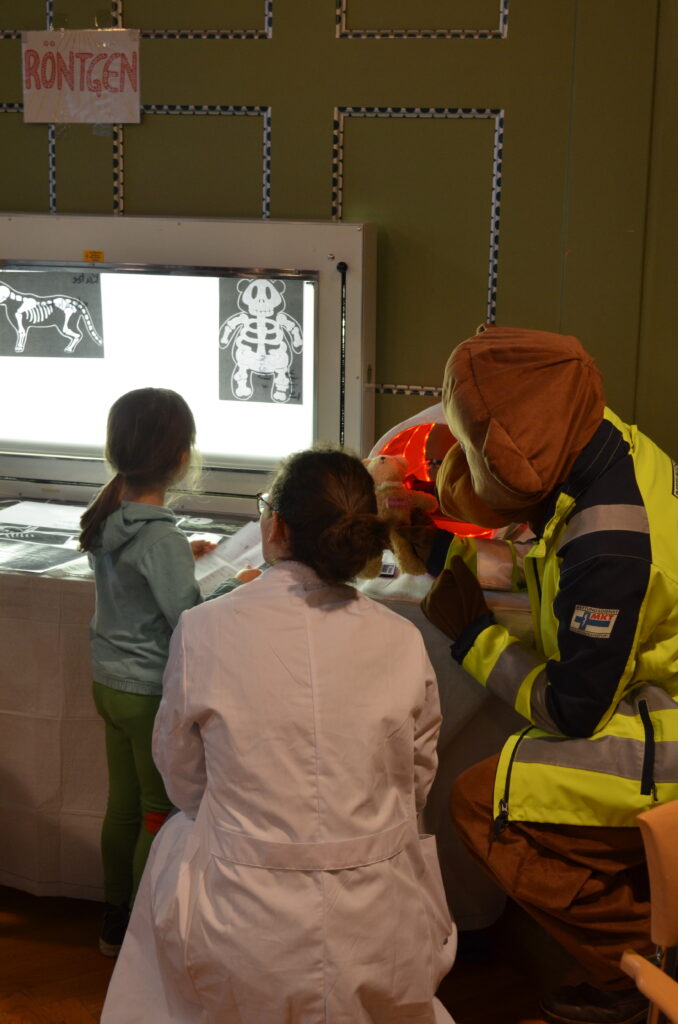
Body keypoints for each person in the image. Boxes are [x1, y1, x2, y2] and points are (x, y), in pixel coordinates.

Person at [100, 446, 457, 1024]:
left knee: (179, 834)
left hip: (240, 920)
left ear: (278, 528)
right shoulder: (402, 639)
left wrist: (254, 826)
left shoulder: (205, 627)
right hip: (377, 920)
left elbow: (183, 778)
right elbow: (415, 779)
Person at [419, 325, 678, 1024]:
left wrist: (474, 638)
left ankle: (634, 964)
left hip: (667, 725)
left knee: (480, 804)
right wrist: (448, 544)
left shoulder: (610, 547)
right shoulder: (592, 431)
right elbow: (559, 567)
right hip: (654, 688)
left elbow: (572, 708)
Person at [79, 387, 214, 957]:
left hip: (107, 684)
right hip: (145, 693)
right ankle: (140, 929)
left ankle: (114, 918)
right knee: (157, 811)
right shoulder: (161, 537)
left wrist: (183, 558)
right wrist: (236, 586)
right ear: (182, 458)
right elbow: (189, 617)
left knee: (122, 806)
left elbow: (141, 579)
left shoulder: (108, 518)